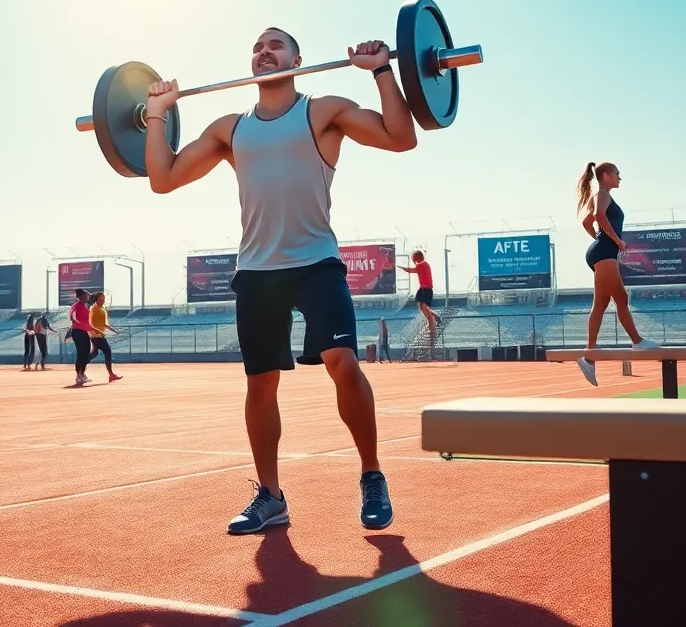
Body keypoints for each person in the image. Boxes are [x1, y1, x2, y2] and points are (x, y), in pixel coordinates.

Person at [143, 30, 408, 535]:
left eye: (276, 45)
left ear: (297, 60)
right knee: (261, 384)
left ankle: (372, 475)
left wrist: (381, 71)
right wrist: (157, 111)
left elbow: (401, 137)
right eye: (258, 47)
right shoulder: (230, 129)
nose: (264, 52)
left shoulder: (323, 110)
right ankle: (271, 496)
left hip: (316, 262)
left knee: (343, 363)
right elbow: (163, 177)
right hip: (258, 271)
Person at [574, 162, 658, 386]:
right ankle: (636, 341)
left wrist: (600, 240)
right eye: (617, 174)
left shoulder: (601, 195)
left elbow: (586, 221)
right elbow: (599, 216)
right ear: (606, 175)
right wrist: (615, 240)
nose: (620, 178)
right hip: (604, 253)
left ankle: (589, 355)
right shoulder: (602, 194)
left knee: (605, 303)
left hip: (602, 252)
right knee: (618, 299)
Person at [398, 251, 442, 337]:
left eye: (414, 258)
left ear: (418, 258)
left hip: (427, 290)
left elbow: (411, 270)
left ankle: (432, 327)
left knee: (425, 310)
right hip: (422, 289)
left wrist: (402, 268)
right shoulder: (423, 264)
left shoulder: (422, 265)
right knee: (420, 305)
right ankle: (434, 315)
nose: (413, 259)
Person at [88, 291, 123, 383]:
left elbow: (104, 324)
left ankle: (80, 367)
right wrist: (95, 332)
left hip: (99, 335)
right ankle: (111, 375)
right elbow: (90, 323)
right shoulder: (94, 308)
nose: (103, 301)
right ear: (96, 300)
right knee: (107, 352)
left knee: (94, 353)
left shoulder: (102, 309)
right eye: (101, 299)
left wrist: (114, 330)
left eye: (103, 299)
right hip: (96, 336)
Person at [67, 289, 94, 386]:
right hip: (78, 332)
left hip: (83, 331)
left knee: (86, 352)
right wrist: (87, 326)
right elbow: (74, 318)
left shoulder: (85, 306)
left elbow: (88, 319)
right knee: (81, 353)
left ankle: (82, 374)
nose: (87, 297)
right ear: (81, 296)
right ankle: (78, 375)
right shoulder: (77, 306)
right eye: (86, 295)